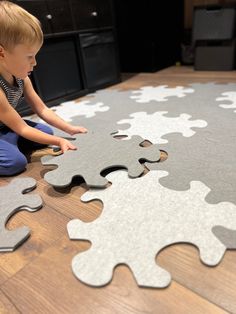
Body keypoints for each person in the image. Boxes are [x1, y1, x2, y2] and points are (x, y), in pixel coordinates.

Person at [0, 1, 87, 176]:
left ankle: (10, 142)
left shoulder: (22, 78)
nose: (35, 62)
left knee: (46, 131)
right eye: (30, 56)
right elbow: (23, 129)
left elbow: (42, 109)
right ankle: (11, 144)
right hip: (12, 127)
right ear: (1, 53)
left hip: (8, 127)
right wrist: (58, 140)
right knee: (15, 163)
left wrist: (68, 128)